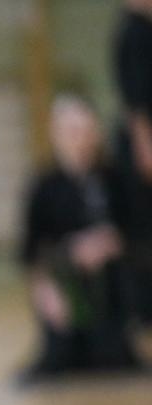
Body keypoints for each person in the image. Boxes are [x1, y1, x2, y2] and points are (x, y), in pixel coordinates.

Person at [17, 96, 144, 380]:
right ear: (56, 134)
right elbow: (29, 251)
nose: (80, 140)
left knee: (112, 362)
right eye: (71, 131)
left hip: (108, 287)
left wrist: (111, 242)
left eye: (85, 131)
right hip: (65, 286)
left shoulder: (113, 179)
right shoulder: (43, 186)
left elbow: (136, 234)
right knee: (58, 363)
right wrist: (45, 289)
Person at [113, 0, 152, 322]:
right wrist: (144, 145)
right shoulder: (132, 32)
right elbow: (135, 99)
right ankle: (142, 306)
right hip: (142, 143)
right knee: (142, 228)